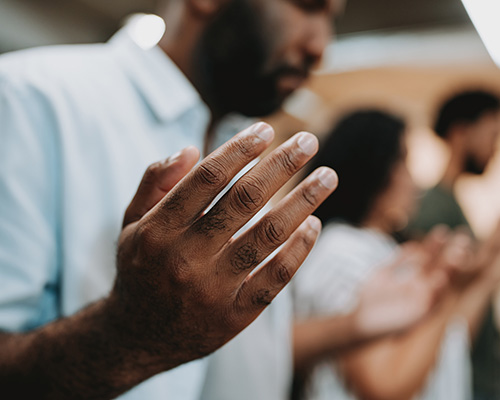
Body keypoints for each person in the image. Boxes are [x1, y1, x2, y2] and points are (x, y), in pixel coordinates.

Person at [0, 0, 340, 398]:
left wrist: (362, 322)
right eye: (308, 6)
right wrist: (129, 335)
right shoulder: (29, 96)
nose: (320, 47)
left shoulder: (241, 141)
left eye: (333, 19)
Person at [293, 110, 500, 400]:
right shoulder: (341, 251)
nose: (413, 180)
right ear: (373, 167)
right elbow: (382, 383)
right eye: (403, 160)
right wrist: (448, 292)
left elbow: (448, 338)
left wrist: (484, 272)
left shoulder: (382, 248)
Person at [408, 90, 500, 400]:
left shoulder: (450, 203)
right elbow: (444, 292)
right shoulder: (432, 208)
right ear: (461, 133)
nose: (494, 147)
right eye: (492, 135)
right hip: (460, 377)